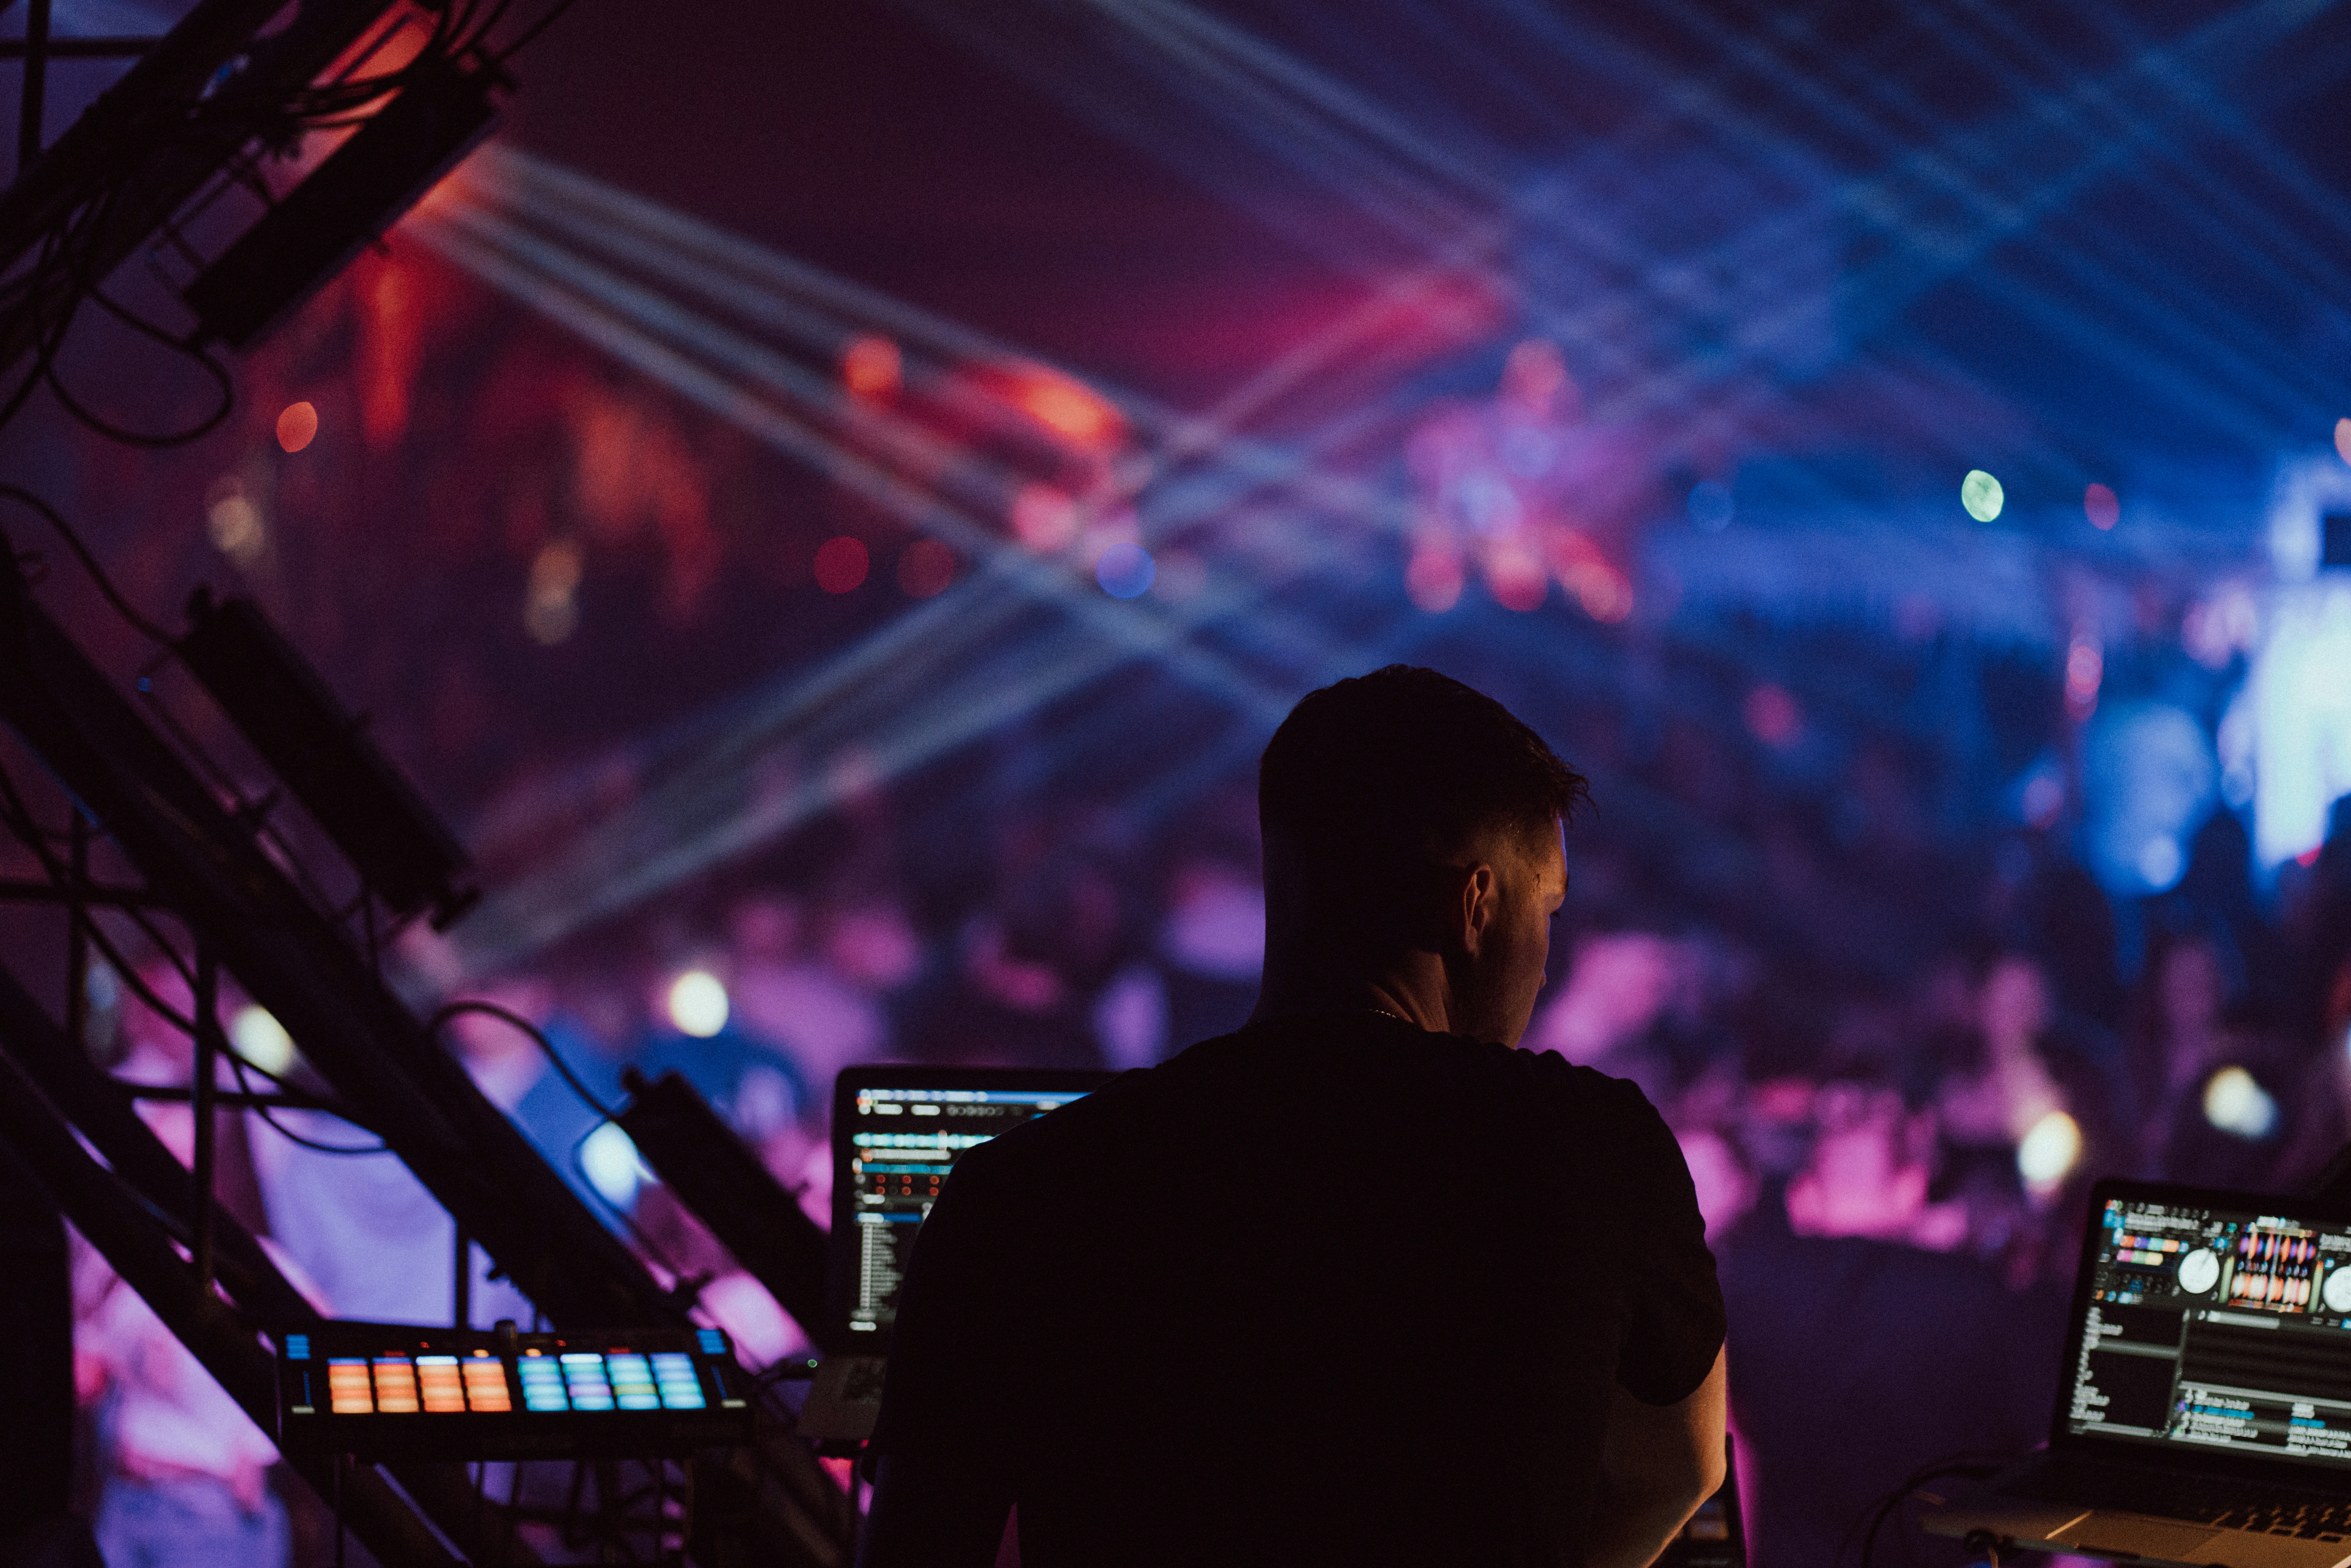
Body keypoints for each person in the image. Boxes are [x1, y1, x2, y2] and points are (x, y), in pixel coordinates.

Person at [861, 666, 1728, 1568]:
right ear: (1474, 907)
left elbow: (918, 1545)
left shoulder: (1024, 1187)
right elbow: (1682, 1470)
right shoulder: (1597, 1148)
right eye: (1546, 908)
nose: (1546, 961)